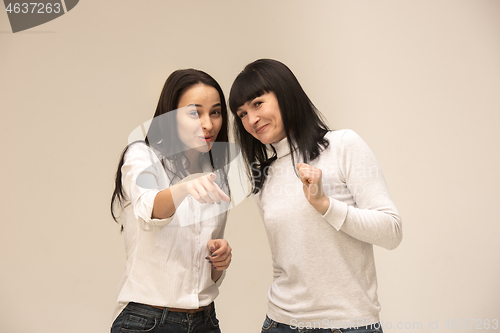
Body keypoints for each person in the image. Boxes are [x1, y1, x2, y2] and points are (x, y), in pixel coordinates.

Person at [229, 59, 402, 333]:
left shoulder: (344, 146)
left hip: (348, 325)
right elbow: (283, 262)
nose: (251, 120)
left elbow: (392, 232)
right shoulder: (263, 178)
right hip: (280, 324)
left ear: (285, 93)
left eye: (258, 103)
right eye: (241, 114)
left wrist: (325, 205)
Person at [110, 69, 233, 333]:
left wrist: (219, 260)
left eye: (215, 112)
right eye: (194, 113)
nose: (208, 124)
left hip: (204, 321)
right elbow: (148, 210)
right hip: (147, 321)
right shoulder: (142, 156)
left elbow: (205, 276)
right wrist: (184, 187)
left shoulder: (218, 175)